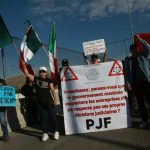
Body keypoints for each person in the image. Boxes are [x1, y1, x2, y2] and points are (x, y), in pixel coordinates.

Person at [20, 60, 59, 141]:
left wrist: (55, 99)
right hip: (39, 102)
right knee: (43, 118)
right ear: (39, 72)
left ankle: (56, 131)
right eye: (40, 71)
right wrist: (24, 66)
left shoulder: (49, 80)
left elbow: (52, 90)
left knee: (53, 117)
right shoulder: (36, 79)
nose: (42, 73)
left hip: (48, 101)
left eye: (43, 71)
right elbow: (27, 74)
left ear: (46, 73)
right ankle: (45, 133)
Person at [125, 35, 150, 128]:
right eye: (134, 49)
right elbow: (127, 73)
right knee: (141, 103)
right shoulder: (128, 60)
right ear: (131, 51)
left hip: (146, 82)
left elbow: (148, 47)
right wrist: (128, 83)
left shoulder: (144, 56)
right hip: (136, 84)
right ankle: (144, 120)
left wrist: (140, 40)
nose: (136, 50)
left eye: (137, 49)